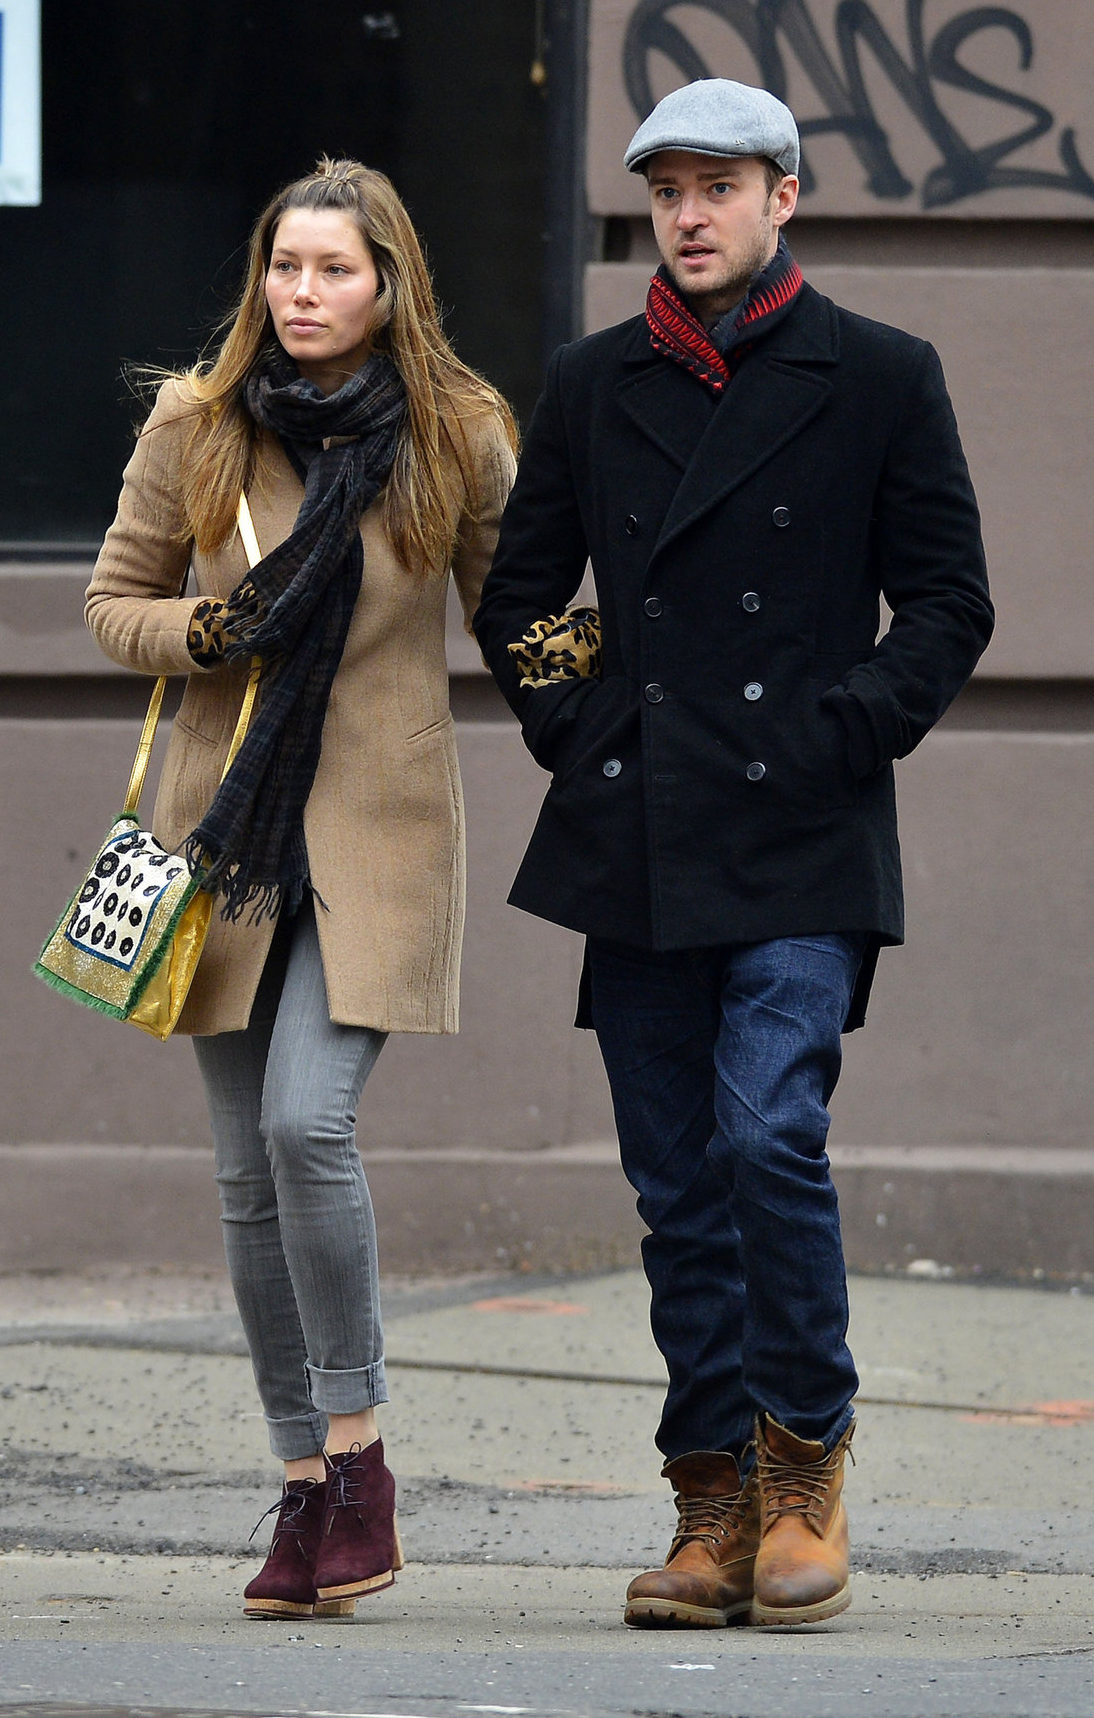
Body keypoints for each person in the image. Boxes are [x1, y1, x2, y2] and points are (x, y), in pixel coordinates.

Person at [473, 79, 993, 1630]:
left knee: (767, 1132)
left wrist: (845, 729)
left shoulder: (883, 376)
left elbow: (952, 604)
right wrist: (581, 730)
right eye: (667, 191)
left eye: (718, 186)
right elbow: (515, 597)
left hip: (802, 828)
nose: (688, 215)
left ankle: (807, 1456)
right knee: (678, 1182)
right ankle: (712, 1499)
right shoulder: (590, 380)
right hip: (638, 829)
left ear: (784, 200)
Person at [86, 158, 516, 1620]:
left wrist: (621, 702)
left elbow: (518, 614)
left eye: (334, 270)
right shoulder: (195, 424)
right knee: (241, 1180)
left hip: (380, 834)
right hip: (225, 836)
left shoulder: (454, 433)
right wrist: (213, 628)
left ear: (390, 282)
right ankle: (298, 1487)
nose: (303, 295)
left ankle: (360, 1459)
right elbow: (110, 603)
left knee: (302, 1121)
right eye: (285, 268)